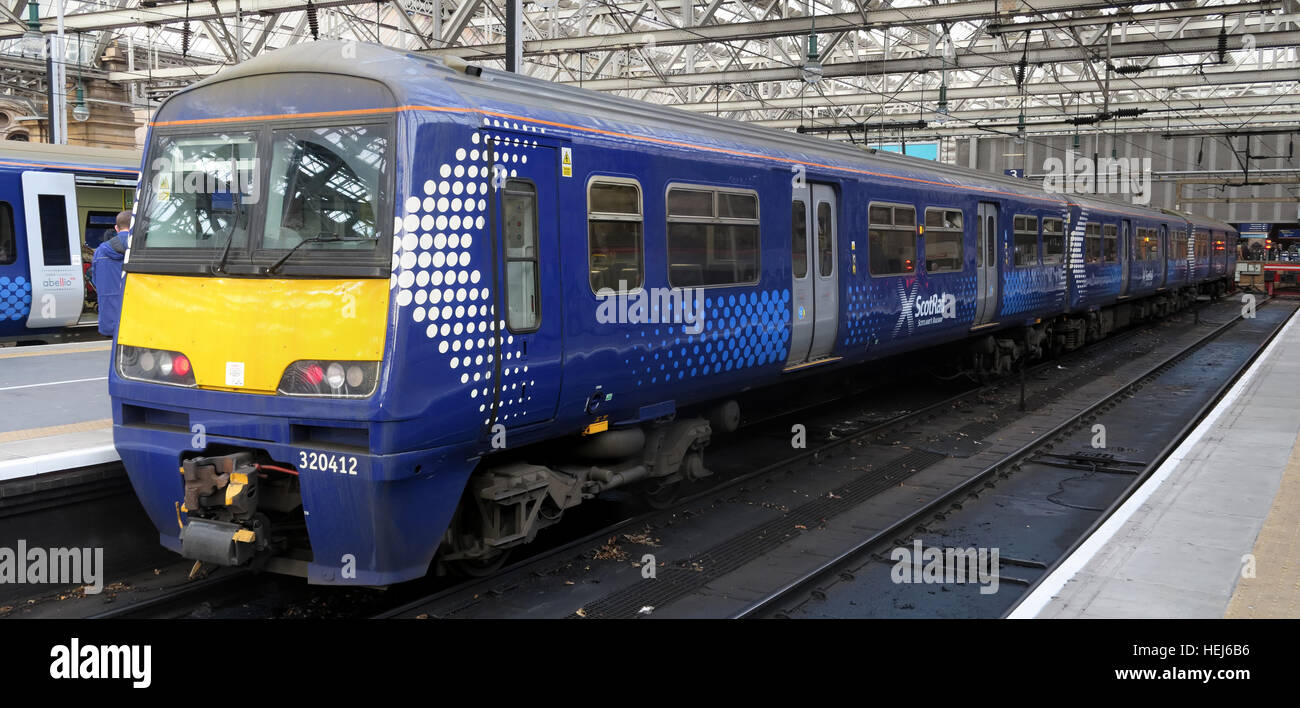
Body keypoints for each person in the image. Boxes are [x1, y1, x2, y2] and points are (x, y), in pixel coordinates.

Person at [91, 211, 131, 337]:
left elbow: (95, 281)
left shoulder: (100, 251)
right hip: (136, 320)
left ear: (116, 228)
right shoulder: (142, 248)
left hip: (110, 319)